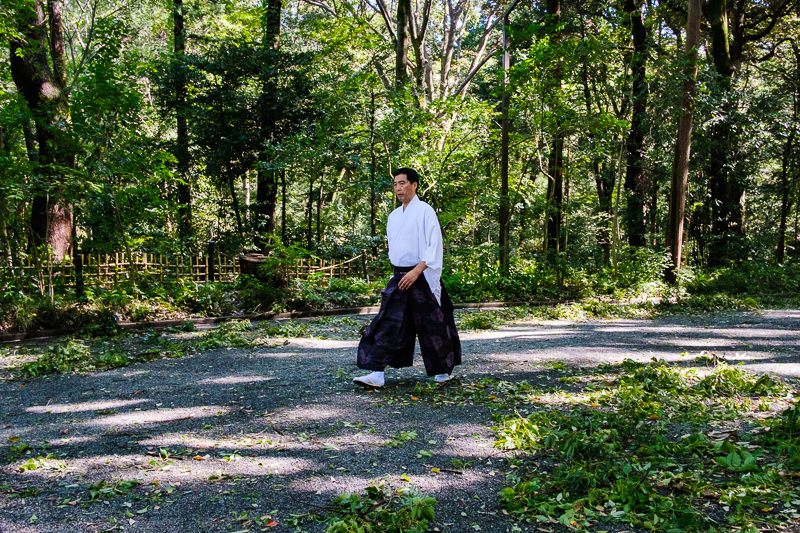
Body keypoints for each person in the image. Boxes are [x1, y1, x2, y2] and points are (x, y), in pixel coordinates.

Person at [353, 167, 461, 388]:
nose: (398, 188)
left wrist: (417, 271)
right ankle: (376, 373)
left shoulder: (425, 211)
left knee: (433, 325)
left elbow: (433, 246)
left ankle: (442, 373)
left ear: (414, 185)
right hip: (400, 277)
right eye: (395, 184)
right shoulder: (394, 216)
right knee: (387, 322)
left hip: (422, 275)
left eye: (402, 183)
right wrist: (401, 272)